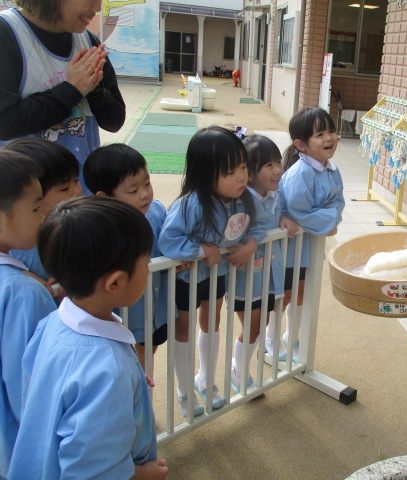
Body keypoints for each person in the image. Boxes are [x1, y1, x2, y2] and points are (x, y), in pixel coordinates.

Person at [8, 196, 168, 479]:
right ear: (115, 282)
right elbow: (93, 472)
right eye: (145, 263)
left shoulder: (51, 323)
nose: (148, 268)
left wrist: (128, 380)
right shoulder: (108, 371)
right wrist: (141, 474)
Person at [159, 126, 268, 416]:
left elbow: (259, 223)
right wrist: (201, 250)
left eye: (243, 167)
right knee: (184, 329)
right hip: (187, 277)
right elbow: (169, 241)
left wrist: (250, 244)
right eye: (231, 172)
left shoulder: (244, 198)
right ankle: (185, 393)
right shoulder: (191, 204)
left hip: (216, 274)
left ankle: (205, 380)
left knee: (212, 322)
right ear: (205, 174)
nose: (242, 177)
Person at [0, 0, 125, 192]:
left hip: (80, 192)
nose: (97, 8)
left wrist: (93, 88)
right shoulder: (7, 33)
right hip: (27, 195)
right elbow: (5, 123)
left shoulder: (88, 41)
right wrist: (72, 90)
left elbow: (114, 121)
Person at [83, 143, 172, 373]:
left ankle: (145, 386)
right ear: (104, 197)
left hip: (153, 309)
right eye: (133, 191)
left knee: (147, 352)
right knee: (120, 360)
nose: (144, 194)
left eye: (147, 183)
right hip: (120, 316)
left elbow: (169, 244)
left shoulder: (156, 212)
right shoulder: (97, 231)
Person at [0, 151, 57, 476]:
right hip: (21, 453)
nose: (43, 215)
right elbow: (30, 390)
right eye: (36, 208)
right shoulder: (23, 292)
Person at [279, 107, 345, 363]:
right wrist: (329, 220)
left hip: (309, 245)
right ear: (301, 144)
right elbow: (299, 213)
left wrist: (331, 218)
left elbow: (338, 202)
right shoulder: (301, 173)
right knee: (283, 294)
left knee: (302, 292)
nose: (329, 138)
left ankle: (291, 337)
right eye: (319, 134)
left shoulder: (332, 170)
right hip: (290, 247)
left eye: (331, 131)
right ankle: (272, 338)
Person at [241, 134, 299, 363]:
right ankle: (238, 370)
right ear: (250, 172)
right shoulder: (243, 199)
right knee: (252, 325)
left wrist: (283, 216)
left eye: (278, 162)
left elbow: (280, 211)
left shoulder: (276, 194)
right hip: (246, 275)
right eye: (269, 165)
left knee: (261, 322)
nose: (277, 170)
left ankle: (240, 370)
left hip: (268, 271)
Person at [6, 137, 81, 293]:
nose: (77, 191)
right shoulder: (17, 240)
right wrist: (20, 274)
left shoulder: (76, 222)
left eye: (76, 180)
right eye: (64, 188)